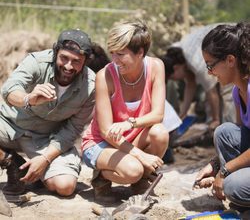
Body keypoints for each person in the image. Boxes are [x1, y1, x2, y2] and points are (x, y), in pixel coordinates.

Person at [0, 29, 95, 196]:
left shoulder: (91, 86)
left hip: (44, 138)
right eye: (64, 58)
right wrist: (29, 99)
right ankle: (11, 162)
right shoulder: (36, 62)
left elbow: (73, 129)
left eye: (76, 61)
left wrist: (45, 160)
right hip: (9, 125)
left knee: (65, 187)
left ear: (85, 61)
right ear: (55, 52)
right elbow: (9, 90)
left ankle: (32, 172)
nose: (68, 66)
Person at [81, 20, 169, 202]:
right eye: (112, 53)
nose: (114, 60)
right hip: (100, 143)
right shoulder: (104, 76)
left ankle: (140, 181)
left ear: (140, 53)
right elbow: (106, 131)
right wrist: (141, 155)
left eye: (121, 54)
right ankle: (101, 177)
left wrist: (129, 123)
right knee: (134, 169)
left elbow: (158, 115)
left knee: (160, 133)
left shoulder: (156, 67)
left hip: (130, 136)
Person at [193, 22, 250, 208]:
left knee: (233, 187)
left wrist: (224, 172)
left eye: (211, 66)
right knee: (224, 132)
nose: (210, 73)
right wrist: (214, 165)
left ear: (230, 60)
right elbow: (241, 135)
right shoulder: (237, 91)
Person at [161, 24, 236, 129]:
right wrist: (182, 115)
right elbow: (190, 85)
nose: (176, 80)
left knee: (229, 93)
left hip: (232, 43)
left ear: (177, 67)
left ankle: (233, 130)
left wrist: (215, 120)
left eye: (173, 78)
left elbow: (212, 92)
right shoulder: (178, 53)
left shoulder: (195, 62)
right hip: (221, 44)